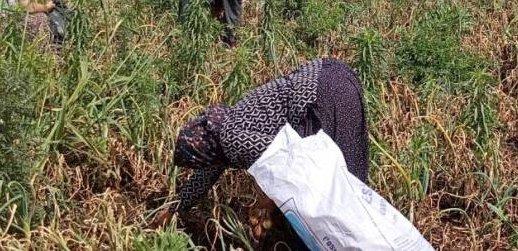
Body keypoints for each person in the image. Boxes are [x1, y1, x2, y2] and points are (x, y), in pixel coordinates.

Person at [147, 58, 369, 239]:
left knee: (342, 192)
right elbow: (206, 175)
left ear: (204, 153)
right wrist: (176, 209)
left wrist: (266, 201)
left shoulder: (230, 139)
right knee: (347, 182)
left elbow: (284, 161)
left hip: (325, 95)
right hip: (335, 75)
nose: (207, 166)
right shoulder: (225, 129)